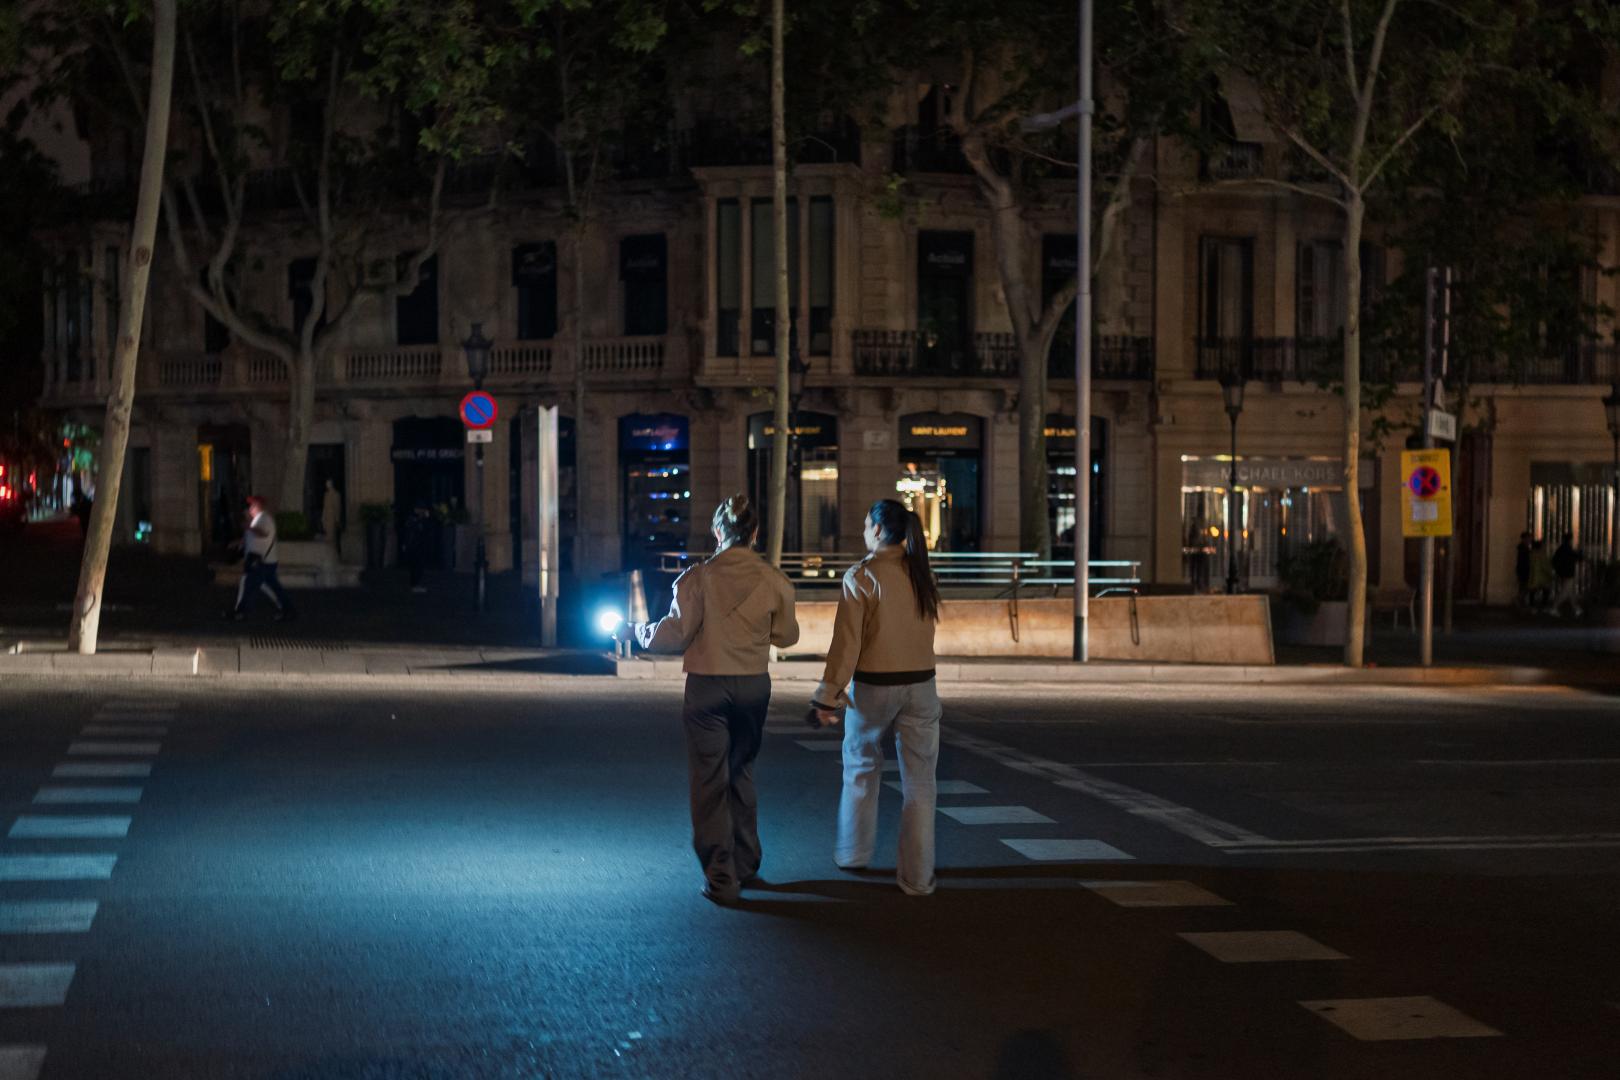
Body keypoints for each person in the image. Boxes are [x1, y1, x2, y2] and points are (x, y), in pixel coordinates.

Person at [620, 494, 799, 906]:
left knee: (708, 781)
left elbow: (675, 634)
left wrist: (636, 631)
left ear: (718, 531)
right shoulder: (774, 580)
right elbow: (787, 636)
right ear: (755, 533)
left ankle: (720, 876)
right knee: (742, 771)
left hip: (707, 686)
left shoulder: (698, 577)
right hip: (753, 684)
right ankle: (746, 862)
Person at [811, 498, 943, 897]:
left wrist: (828, 696)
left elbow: (846, 645)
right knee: (921, 784)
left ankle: (853, 853)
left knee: (861, 769)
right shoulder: (922, 574)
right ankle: (918, 878)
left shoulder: (862, 576)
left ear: (880, 530)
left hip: (873, 687)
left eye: (867, 524)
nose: (863, 531)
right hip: (922, 686)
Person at [228, 495, 295, 621]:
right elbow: (251, 537)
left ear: (258, 506)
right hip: (263, 561)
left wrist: (248, 526)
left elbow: (263, 533)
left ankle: (241, 612)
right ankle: (288, 609)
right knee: (271, 587)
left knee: (248, 585)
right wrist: (239, 542)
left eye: (252, 505)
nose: (249, 508)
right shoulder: (257, 519)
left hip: (261, 562)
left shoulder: (264, 519)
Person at [1551, 532, 1584, 618]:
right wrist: (1580, 551)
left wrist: (1558, 571)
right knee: (1565, 592)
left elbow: (1554, 561)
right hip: (1568, 573)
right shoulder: (1569, 549)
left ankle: (1576, 609)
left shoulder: (1560, 549)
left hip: (1562, 573)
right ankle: (1554, 607)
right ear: (1570, 540)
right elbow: (1579, 558)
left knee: (1570, 591)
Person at [402, 505, 431, 593]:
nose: (421, 511)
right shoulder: (413, 519)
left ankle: (415, 584)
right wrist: (405, 544)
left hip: (420, 546)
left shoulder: (421, 520)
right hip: (414, 546)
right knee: (415, 567)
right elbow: (410, 531)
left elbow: (427, 530)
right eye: (420, 509)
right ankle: (414, 585)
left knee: (418, 566)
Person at [1528, 539, 1556, 612]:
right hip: (1542, 576)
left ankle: (1532, 606)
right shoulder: (1542, 555)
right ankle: (1544, 606)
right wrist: (1551, 574)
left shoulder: (1531, 554)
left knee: (1532, 591)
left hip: (1533, 575)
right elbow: (1546, 566)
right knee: (1546, 591)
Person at [320, 479, 342, 554]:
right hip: (327, 516)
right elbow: (324, 507)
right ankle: (328, 553)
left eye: (328, 483)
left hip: (332, 516)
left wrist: (337, 519)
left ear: (331, 484)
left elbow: (337, 507)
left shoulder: (336, 494)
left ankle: (334, 552)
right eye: (326, 484)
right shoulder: (326, 495)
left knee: (332, 535)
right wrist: (323, 516)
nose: (327, 485)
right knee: (327, 534)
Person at [1514, 532, 1533, 609]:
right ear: (1524, 539)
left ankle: (1520, 601)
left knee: (1523, 586)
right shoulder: (1523, 548)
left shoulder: (1523, 548)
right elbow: (1525, 560)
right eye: (1529, 538)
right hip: (1524, 570)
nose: (1530, 540)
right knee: (1524, 587)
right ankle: (1518, 600)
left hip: (1522, 570)